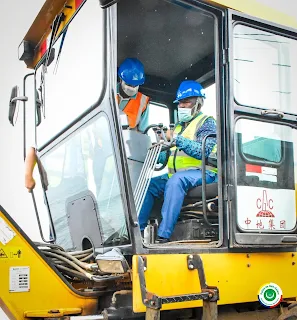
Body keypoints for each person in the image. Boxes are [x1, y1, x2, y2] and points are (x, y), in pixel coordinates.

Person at [138, 80, 218, 243]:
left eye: (186, 102)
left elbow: (202, 151)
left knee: (176, 181)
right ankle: (136, 232)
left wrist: (177, 139)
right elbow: (167, 157)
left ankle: (163, 236)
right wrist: (158, 148)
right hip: (179, 175)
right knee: (149, 185)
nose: (182, 106)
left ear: (198, 103)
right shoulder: (179, 127)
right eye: (180, 103)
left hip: (204, 173)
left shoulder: (207, 123)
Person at [117, 58, 150, 132]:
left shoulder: (143, 102)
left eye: (135, 85)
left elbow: (143, 132)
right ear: (120, 79)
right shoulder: (108, 93)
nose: (132, 88)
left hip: (125, 141)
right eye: (129, 84)